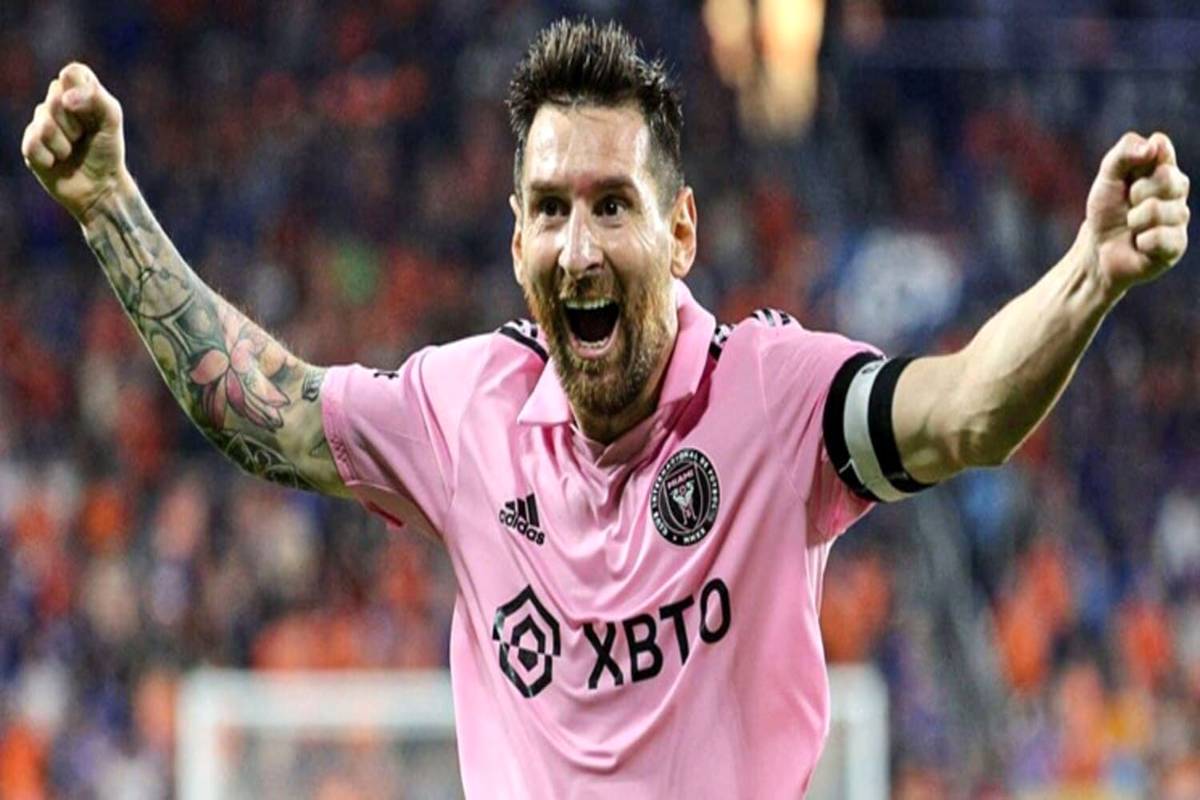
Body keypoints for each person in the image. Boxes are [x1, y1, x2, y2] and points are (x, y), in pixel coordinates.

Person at [20, 16, 1189, 799]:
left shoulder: (774, 396)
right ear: (515, 240)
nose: (577, 246)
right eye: (549, 208)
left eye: (611, 205)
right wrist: (109, 204)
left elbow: (966, 410)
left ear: (680, 232)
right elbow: (264, 411)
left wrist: (1089, 273)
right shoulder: (462, 408)